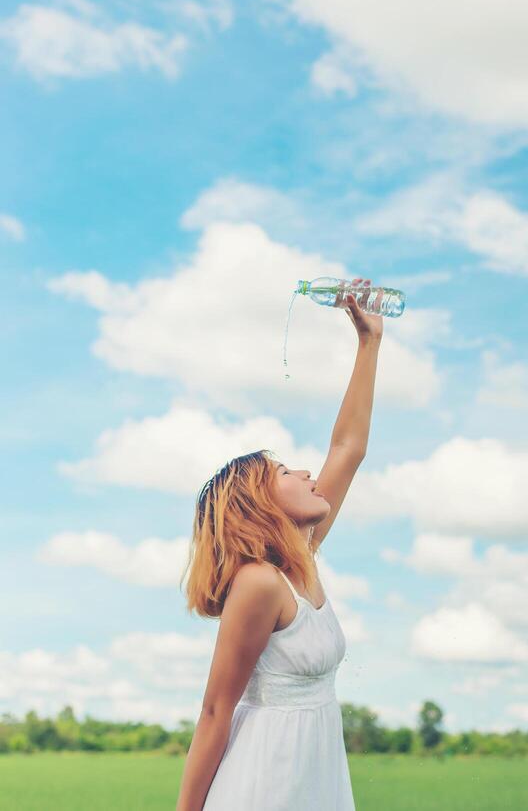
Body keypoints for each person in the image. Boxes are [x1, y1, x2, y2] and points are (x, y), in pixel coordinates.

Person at [175, 277, 383, 810]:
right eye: (287, 471)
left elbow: (348, 447)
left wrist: (369, 343)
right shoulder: (260, 583)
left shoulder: (299, 563)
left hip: (315, 780)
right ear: (260, 503)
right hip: (265, 782)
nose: (310, 471)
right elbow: (216, 712)